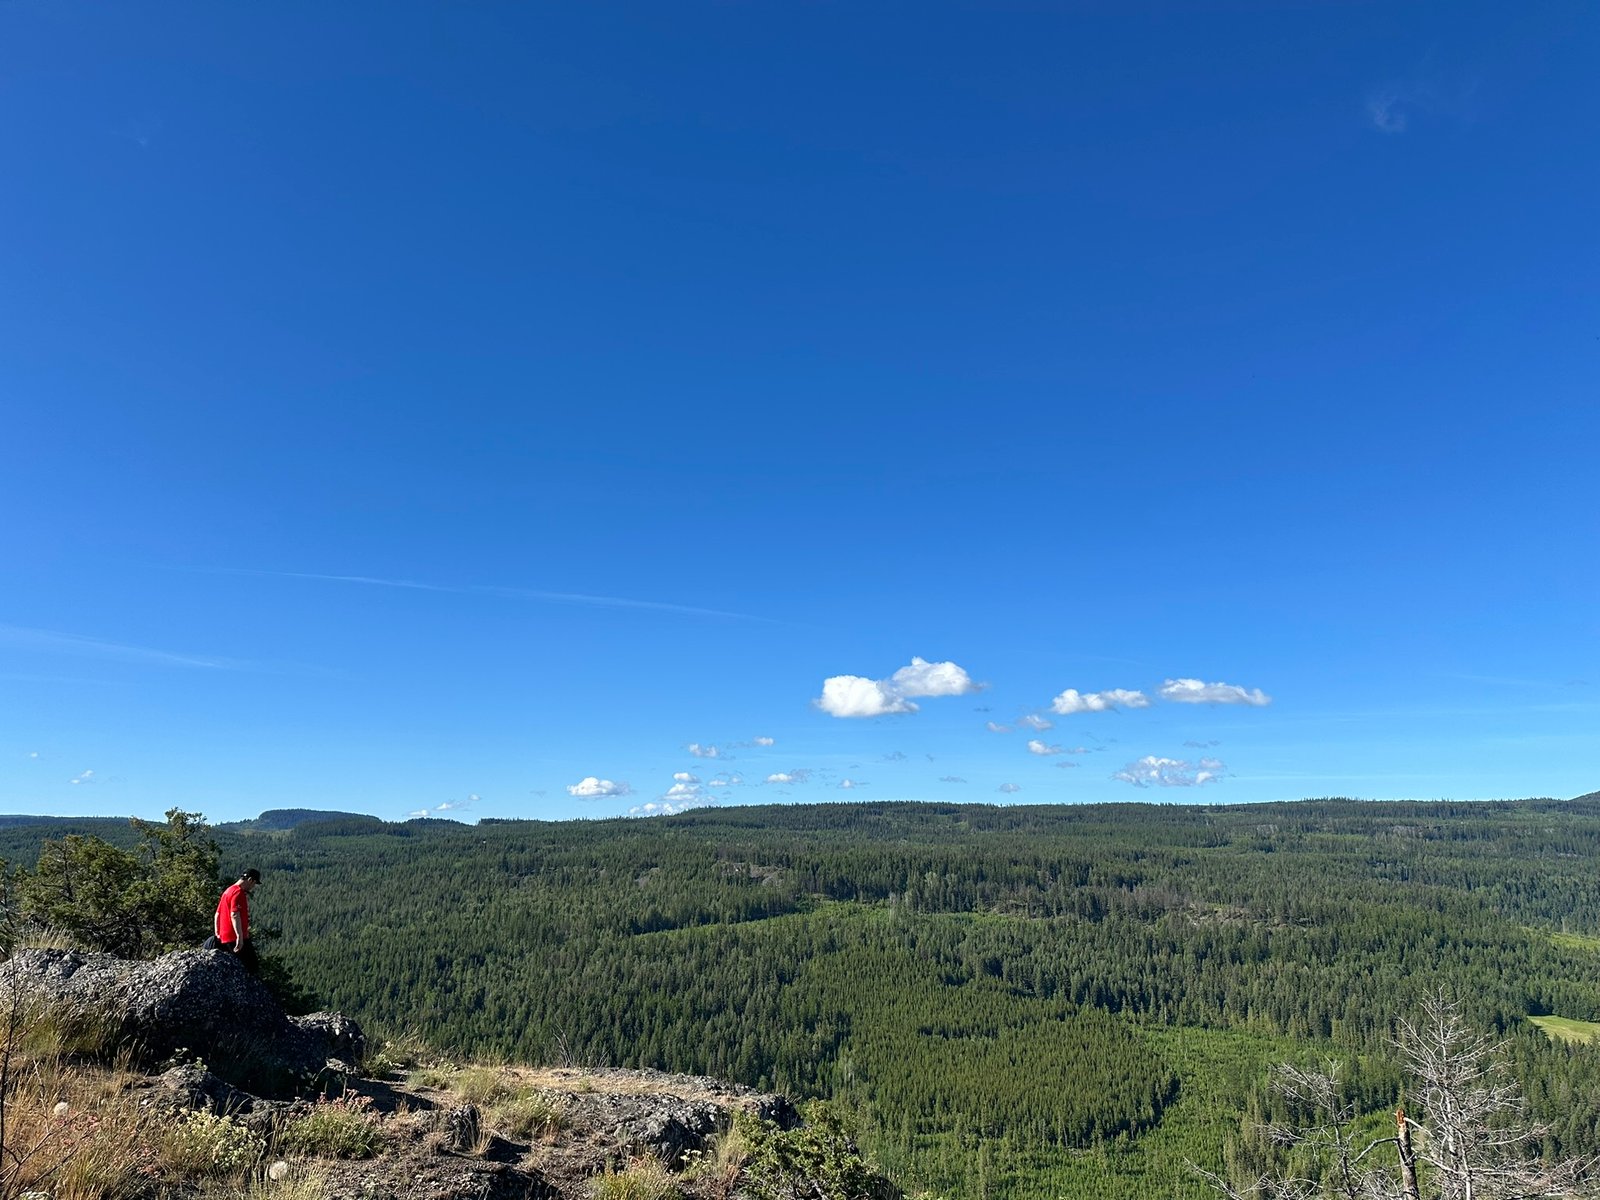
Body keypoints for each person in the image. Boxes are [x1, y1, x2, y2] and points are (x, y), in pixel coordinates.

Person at [214, 868, 261, 974]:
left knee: (236, 966)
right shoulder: (238, 893)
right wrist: (239, 937)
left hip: (225, 937)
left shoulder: (228, 890)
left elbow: (217, 914)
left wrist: (218, 933)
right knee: (252, 967)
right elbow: (235, 914)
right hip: (235, 937)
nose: (253, 887)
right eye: (254, 883)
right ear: (250, 880)